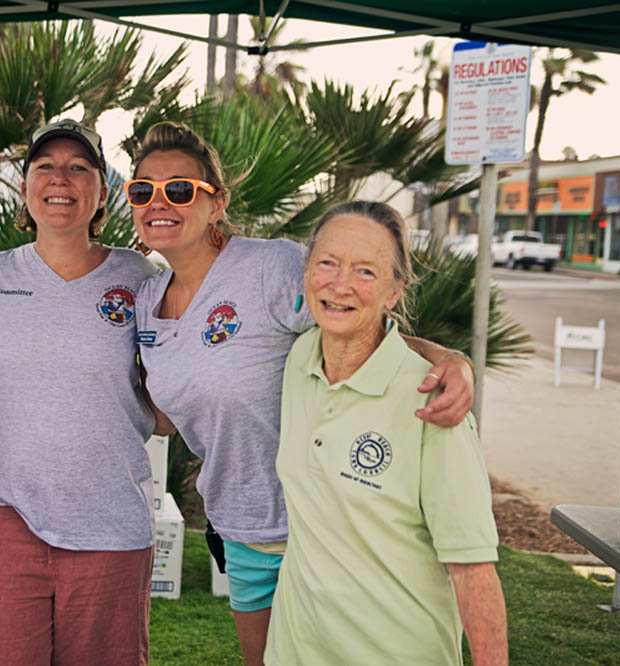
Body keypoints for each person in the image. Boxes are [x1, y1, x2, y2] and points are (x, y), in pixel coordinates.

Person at [127, 122, 475, 666]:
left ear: (216, 204)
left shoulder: (270, 268)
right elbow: (170, 415)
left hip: (321, 527)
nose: (158, 202)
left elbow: (357, 325)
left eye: (179, 189)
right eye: (142, 190)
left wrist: (446, 359)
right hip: (239, 528)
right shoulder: (146, 300)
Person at [265, 200, 507, 665]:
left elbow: (472, 567)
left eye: (366, 272)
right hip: (295, 652)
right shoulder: (299, 360)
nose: (340, 284)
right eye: (328, 263)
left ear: (395, 290)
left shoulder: (433, 400)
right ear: (307, 271)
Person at [0, 119, 163, 665]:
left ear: (101, 192)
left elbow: (170, 397)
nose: (61, 179)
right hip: (6, 516)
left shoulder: (141, 277)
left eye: (79, 168)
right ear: (25, 188)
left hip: (110, 522)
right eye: (45, 167)